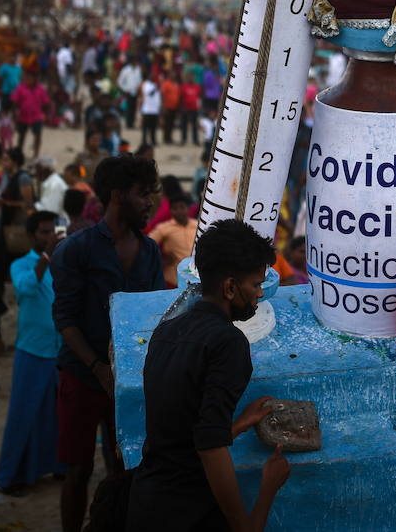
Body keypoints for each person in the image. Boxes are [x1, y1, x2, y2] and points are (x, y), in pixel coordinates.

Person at [126, 218, 291, 531]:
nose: (258, 295)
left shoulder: (165, 332)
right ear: (230, 287)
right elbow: (209, 446)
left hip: (147, 500)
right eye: (255, 285)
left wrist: (240, 424)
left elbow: (181, 433)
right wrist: (268, 486)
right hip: (187, 511)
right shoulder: (229, 344)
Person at [51, 154, 164, 532]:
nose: (150, 202)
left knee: (124, 466)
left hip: (129, 381)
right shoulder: (77, 250)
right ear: (117, 195)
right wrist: (98, 368)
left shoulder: (149, 251)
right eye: (143, 194)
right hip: (82, 376)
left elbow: (149, 318)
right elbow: (64, 319)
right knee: (78, 469)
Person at [0, 212, 63, 494]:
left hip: (59, 349)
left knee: (55, 414)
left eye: (52, 232)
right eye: (43, 232)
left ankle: (55, 466)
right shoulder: (20, 265)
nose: (48, 237)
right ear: (33, 234)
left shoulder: (62, 263)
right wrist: (46, 258)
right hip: (32, 350)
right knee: (23, 415)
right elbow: (25, 290)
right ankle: (11, 476)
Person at [149, 195, 198, 289]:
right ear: (170, 210)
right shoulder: (164, 228)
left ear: (188, 209)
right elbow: (147, 244)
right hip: (173, 280)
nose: (179, 211)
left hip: (194, 278)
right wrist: (161, 260)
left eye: (182, 207)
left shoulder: (196, 225)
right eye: (175, 208)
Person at [11, 70, 51, 160]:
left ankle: (36, 155)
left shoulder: (40, 89)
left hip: (36, 116)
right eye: (28, 77)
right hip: (22, 116)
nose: (29, 79)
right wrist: (14, 115)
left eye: (31, 77)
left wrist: (46, 115)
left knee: (37, 135)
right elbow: (14, 102)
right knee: (21, 136)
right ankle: (19, 154)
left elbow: (46, 103)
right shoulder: (20, 88)